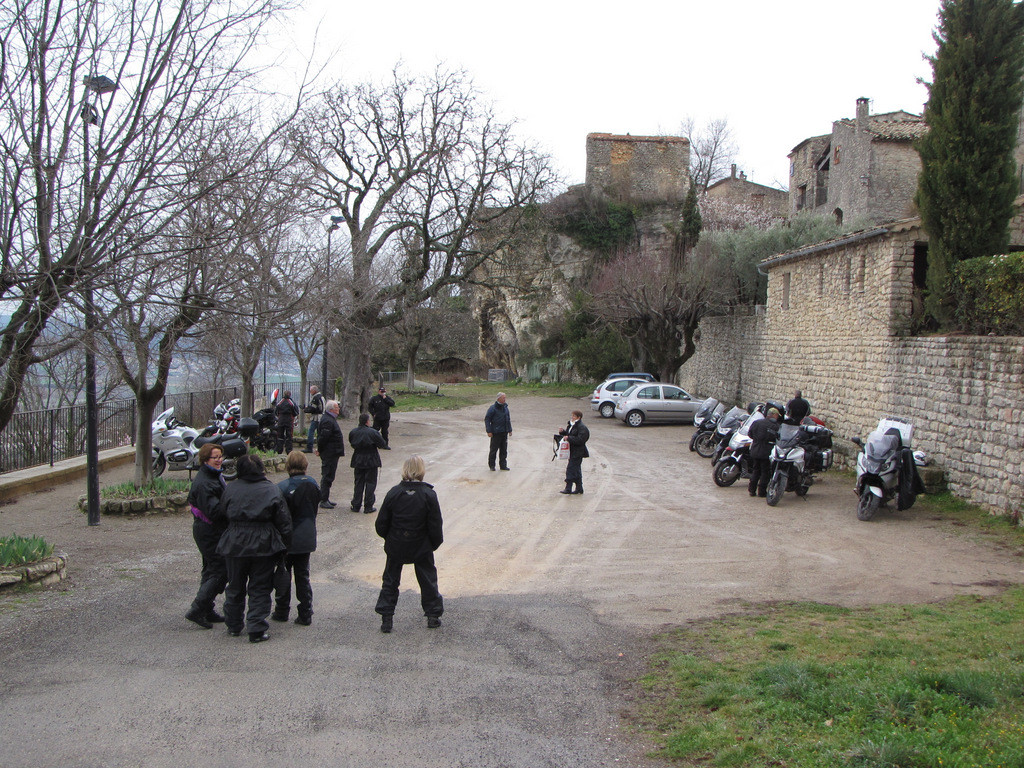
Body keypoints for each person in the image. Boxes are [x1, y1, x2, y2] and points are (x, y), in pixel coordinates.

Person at [215, 454, 292, 643]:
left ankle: (233, 625)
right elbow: (284, 521)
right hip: (263, 544)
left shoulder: (231, 489)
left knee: (235, 584)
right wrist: (285, 545)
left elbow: (221, 513)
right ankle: (256, 627)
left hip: (235, 542)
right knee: (260, 586)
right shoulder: (271, 490)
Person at [374, 455, 444, 633]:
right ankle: (433, 615)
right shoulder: (429, 494)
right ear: (421, 470)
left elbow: (381, 523)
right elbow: (435, 525)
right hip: (421, 544)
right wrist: (432, 544)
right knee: (428, 579)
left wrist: (390, 539)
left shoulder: (394, 493)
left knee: (390, 579)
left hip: (397, 542)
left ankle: (387, 618)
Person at [272, 451, 320, 625]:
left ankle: (282, 610)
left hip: (288, 536)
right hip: (307, 534)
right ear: (305, 465)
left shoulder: (282, 487)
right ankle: (306, 611)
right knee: (302, 575)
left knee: (284, 573)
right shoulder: (313, 484)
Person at [185, 442, 228, 629]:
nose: (219, 460)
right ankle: (197, 608)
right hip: (208, 530)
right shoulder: (205, 482)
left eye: (220, 457)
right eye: (215, 457)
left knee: (210, 568)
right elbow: (214, 511)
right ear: (205, 460)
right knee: (220, 568)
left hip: (211, 530)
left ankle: (206, 608)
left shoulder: (213, 476)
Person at [349, 412, 387, 513]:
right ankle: (368, 505)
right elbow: (382, 444)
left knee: (358, 482)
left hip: (358, 458)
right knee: (370, 483)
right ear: (367, 421)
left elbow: (352, 443)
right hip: (371, 458)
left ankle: (356, 505)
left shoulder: (353, 432)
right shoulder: (373, 432)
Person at [315, 399, 344, 509]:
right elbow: (323, 437)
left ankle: (325, 497)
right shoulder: (328, 421)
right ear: (331, 409)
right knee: (327, 475)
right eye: (337, 408)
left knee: (330, 475)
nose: (339, 410)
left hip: (333, 452)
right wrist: (320, 449)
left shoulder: (330, 419)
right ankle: (323, 499)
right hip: (329, 452)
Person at [748, 407, 781, 497]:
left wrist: (756, 440)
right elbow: (778, 438)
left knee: (755, 471)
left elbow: (750, 433)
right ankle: (762, 492)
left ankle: (752, 490)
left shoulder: (757, 422)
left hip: (755, 449)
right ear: (774, 415)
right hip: (766, 451)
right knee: (765, 472)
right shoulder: (775, 426)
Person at [555, 409, 590, 495]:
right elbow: (569, 435)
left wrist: (569, 438)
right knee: (576, 470)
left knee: (571, 469)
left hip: (578, 452)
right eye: (572, 415)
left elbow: (581, 440)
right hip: (572, 451)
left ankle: (568, 488)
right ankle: (579, 488)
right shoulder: (572, 425)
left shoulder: (582, 427)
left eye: (574, 416)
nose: (572, 417)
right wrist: (563, 432)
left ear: (579, 417)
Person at [484, 392, 512, 471]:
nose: (505, 399)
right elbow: (487, 419)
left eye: (505, 398)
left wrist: (509, 430)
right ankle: (492, 465)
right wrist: (489, 431)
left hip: (504, 432)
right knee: (493, 450)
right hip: (496, 433)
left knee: (504, 450)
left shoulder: (505, 408)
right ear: (499, 398)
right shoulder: (493, 408)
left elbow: (508, 419)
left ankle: (503, 465)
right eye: (503, 398)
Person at [274, 390, 300, 454]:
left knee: (280, 436)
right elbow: (296, 411)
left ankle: (279, 450)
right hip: (289, 420)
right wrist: (293, 416)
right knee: (289, 436)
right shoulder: (291, 402)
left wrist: (279, 416)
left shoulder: (280, 402)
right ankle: (289, 450)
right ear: (290, 395)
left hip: (281, 420)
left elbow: (276, 411)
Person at [303, 385, 326, 453]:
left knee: (311, 432)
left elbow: (313, 408)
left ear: (314, 390)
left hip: (316, 418)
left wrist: (306, 410)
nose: (310, 392)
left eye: (311, 390)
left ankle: (309, 447)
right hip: (322, 416)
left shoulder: (315, 398)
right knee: (319, 432)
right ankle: (320, 447)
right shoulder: (321, 397)